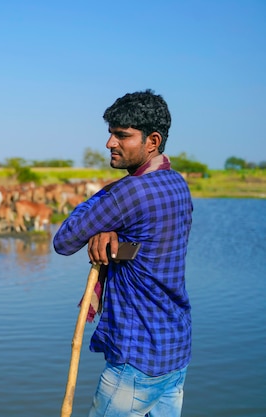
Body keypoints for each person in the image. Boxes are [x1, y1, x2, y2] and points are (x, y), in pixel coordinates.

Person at [53, 89, 193, 417]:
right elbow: (151, 250)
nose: (110, 143)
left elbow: (64, 241)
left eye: (122, 136)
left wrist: (106, 196)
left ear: (152, 141)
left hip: (136, 359)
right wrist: (114, 238)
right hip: (175, 350)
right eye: (110, 134)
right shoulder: (177, 184)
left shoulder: (127, 192)